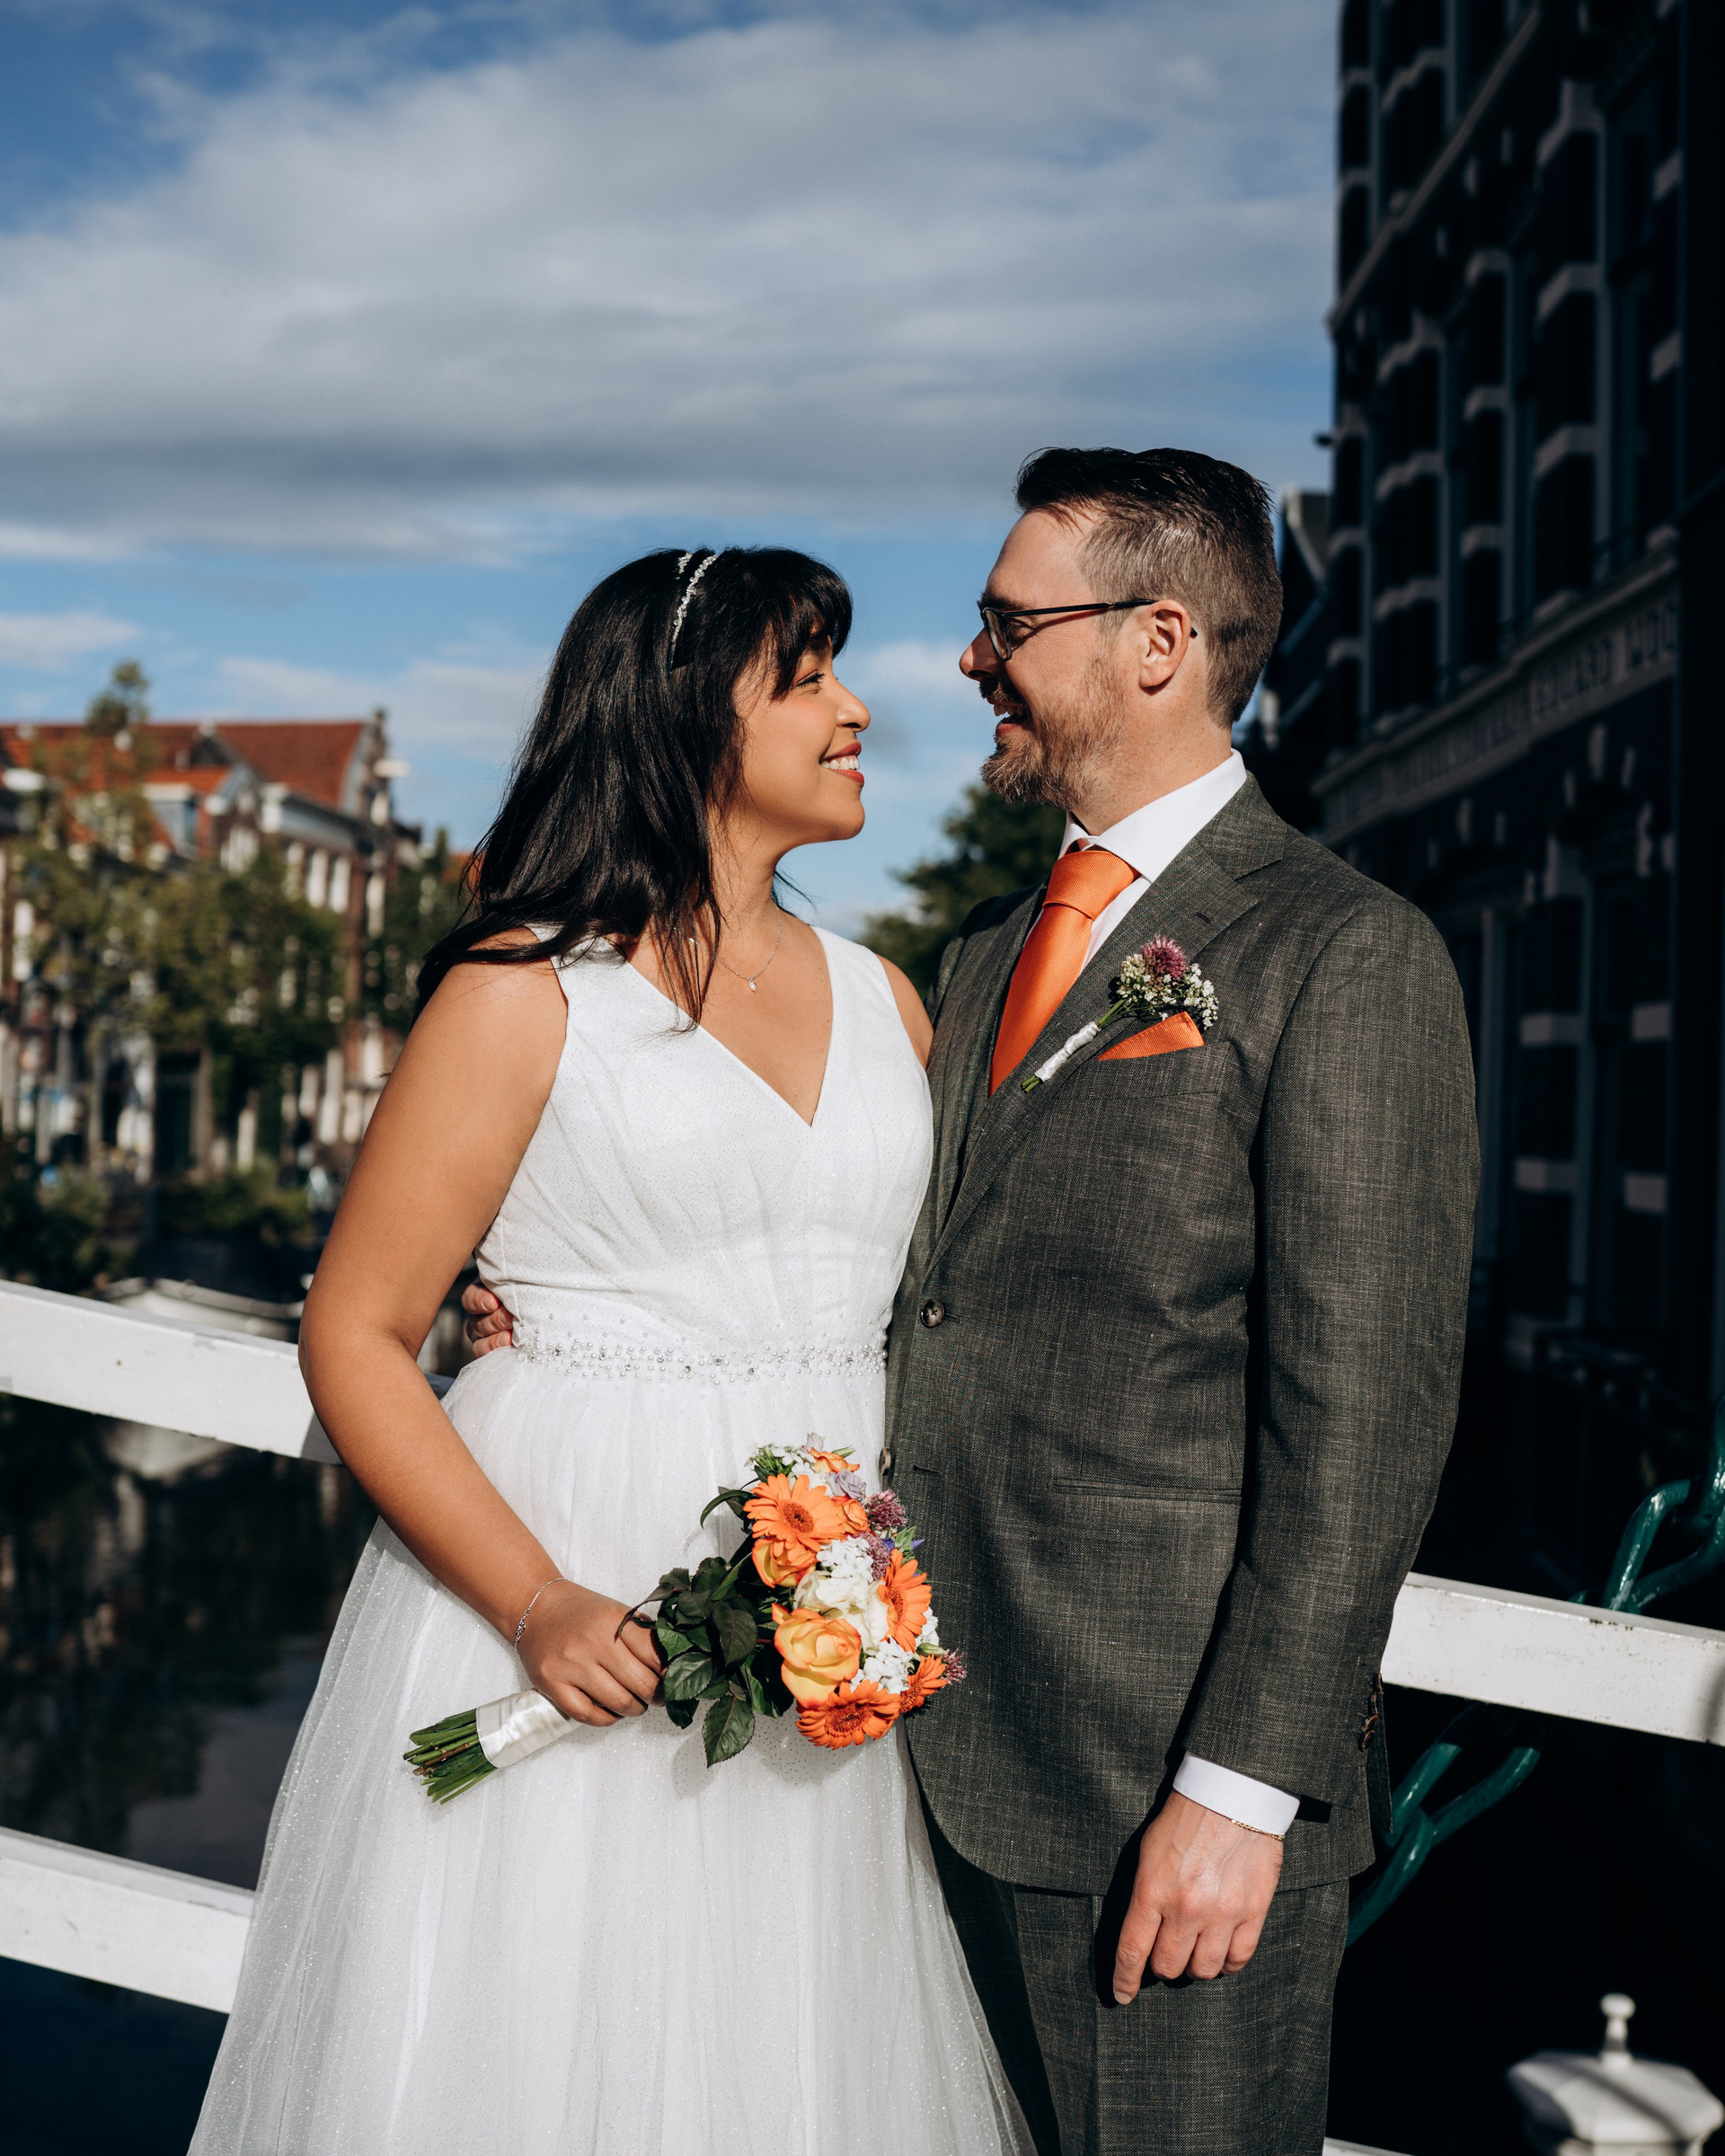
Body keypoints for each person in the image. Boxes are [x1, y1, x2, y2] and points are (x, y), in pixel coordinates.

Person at [472, 448, 1479, 2156]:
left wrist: (1241, 1791)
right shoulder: (982, 956)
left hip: (1163, 1799)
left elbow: (1365, 1425)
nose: (966, 658)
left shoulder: (1345, 952)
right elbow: (891, 1269)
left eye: (1010, 624)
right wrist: (561, 1302)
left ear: (1156, 643)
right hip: (900, 1771)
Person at [189, 547, 1031, 2156]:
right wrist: (535, 1599)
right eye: (809, 678)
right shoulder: (526, 988)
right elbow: (355, 1329)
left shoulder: (890, 1001)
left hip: (826, 1622)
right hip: (573, 1574)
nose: (860, 709)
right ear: (685, 714)